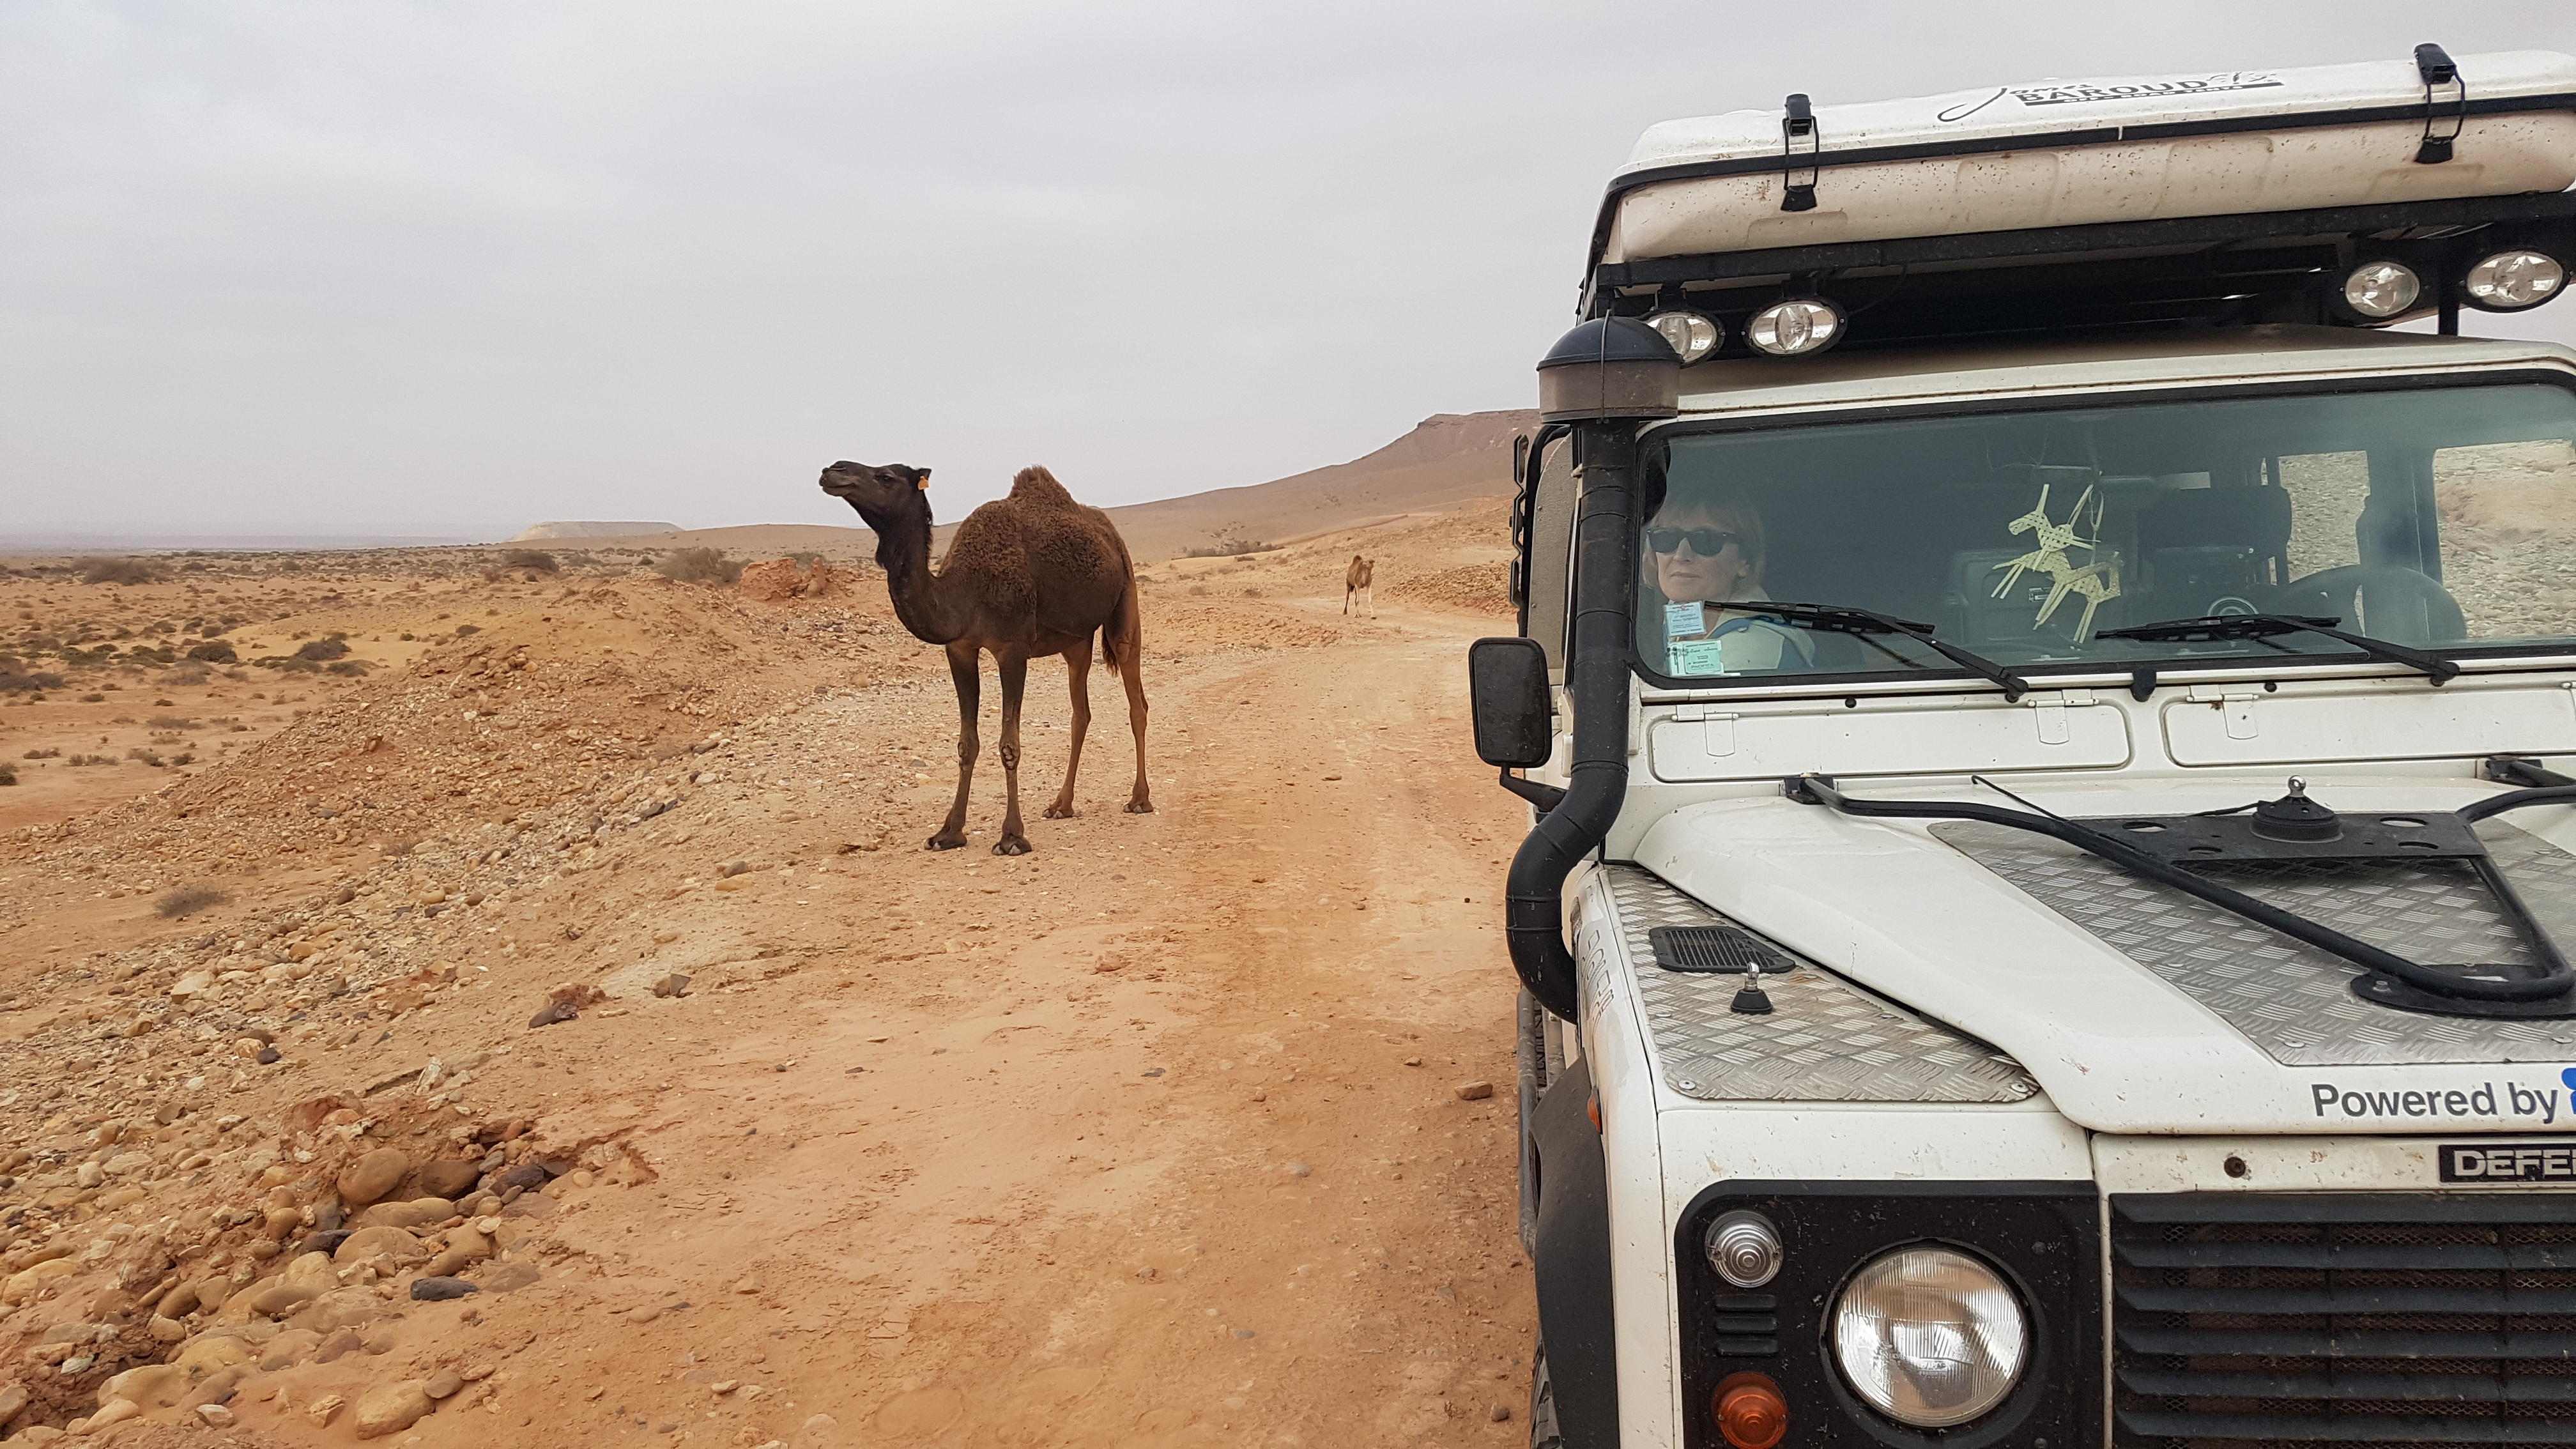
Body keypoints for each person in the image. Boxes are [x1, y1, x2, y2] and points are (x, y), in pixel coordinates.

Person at [1643, 483, 1812, 675]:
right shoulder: (1679, 612)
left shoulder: (1754, 650)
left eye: (1706, 540)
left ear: (1745, 561)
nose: (1681, 556)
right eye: (1665, 538)